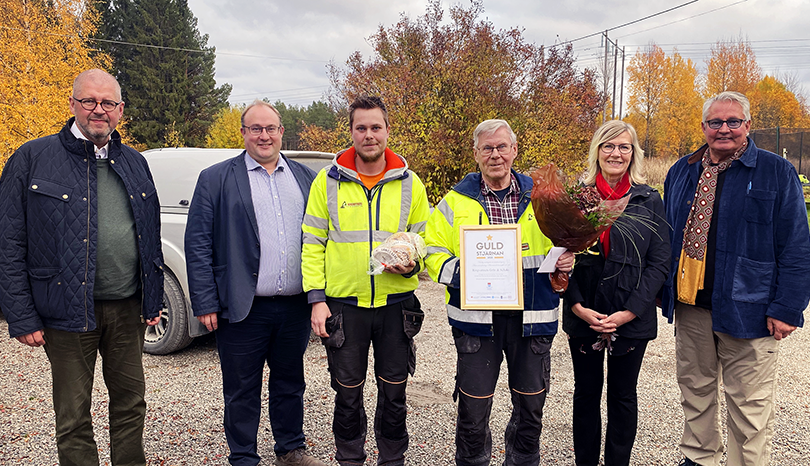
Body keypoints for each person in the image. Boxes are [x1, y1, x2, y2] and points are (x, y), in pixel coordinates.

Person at [0, 69, 163, 465]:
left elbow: (149, 236)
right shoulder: (32, 158)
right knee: (73, 416)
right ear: (72, 104)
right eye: (89, 101)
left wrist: (152, 298)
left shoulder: (135, 162)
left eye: (108, 103)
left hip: (126, 308)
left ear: (120, 110)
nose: (98, 110)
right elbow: (9, 241)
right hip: (66, 310)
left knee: (130, 404)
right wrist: (21, 315)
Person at [661, 91, 810, 466]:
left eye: (733, 122)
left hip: (751, 307)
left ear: (747, 125)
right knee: (695, 391)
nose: (724, 129)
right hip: (691, 305)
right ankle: (699, 458)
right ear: (703, 127)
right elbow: (667, 234)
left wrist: (788, 307)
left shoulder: (776, 171)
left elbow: (796, 243)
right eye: (715, 122)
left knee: (749, 403)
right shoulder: (681, 170)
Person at [425, 119, 575, 466]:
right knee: (473, 411)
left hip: (532, 320)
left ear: (514, 151)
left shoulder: (543, 196)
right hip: (477, 324)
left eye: (502, 147)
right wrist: (464, 274)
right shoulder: (454, 202)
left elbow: (564, 245)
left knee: (530, 410)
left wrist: (568, 259)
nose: (496, 155)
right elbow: (432, 251)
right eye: (488, 148)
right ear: (476, 154)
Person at [184, 100, 325, 466]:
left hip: (294, 306)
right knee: (241, 389)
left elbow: (319, 240)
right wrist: (204, 300)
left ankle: (290, 448)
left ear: (282, 132)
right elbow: (198, 242)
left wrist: (318, 296)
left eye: (271, 128)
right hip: (241, 306)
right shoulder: (216, 178)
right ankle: (243, 456)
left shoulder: (306, 178)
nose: (264, 135)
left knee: (290, 383)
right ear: (244, 133)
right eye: (256, 129)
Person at [304, 95, 431, 466]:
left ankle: (392, 459)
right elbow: (312, 243)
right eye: (361, 128)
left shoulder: (412, 185)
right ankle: (350, 458)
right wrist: (316, 298)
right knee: (347, 393)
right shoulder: (327, 183)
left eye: (376, 127)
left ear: (387, 131)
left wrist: (411, 266)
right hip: (345, 306)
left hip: (396, 308)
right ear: (351, 132)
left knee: (394, 394)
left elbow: (423, 243)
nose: (369, 135)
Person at [562, 120, 670, 466]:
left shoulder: (647, 199)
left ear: (633, 153)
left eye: (624, 147)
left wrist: (630, 312)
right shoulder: (577, 198)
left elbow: (659, 262)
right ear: (597, 150)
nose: (616, 153)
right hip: (586, 315)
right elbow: (562, 257)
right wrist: (577, 306)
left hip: (630, 316)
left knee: (623, 396)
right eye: (608, 146)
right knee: (587, 394)